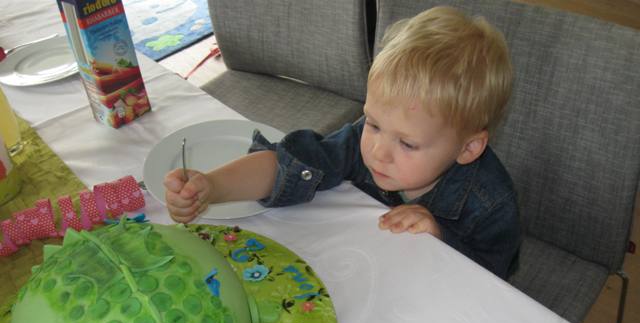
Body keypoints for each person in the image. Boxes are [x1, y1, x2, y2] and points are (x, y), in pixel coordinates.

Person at [164, 6, 520, 279]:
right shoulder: (361, 143)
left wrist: (440, 236)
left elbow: (495, 282)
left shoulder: (493, 203)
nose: (377, 151)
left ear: (468, 149)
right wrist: (212, 187)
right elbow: (289, 165)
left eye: (408, 144)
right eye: (374, 124)